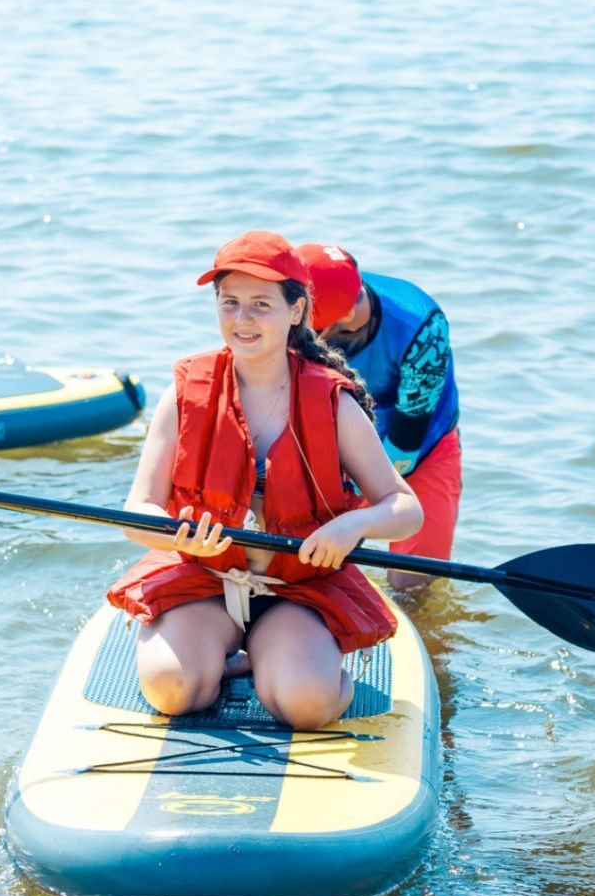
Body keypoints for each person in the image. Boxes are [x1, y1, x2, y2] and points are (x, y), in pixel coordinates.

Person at [107, 231, 425, 730]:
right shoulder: (185, 393)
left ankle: (291, 661)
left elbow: (405, 509)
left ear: (296, 311)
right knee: (172, 691)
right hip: (204, 580)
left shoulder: (333, 402)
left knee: (306, 708)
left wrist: (353, 526)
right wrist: (176, 536)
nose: (242, 319)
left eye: (261, 304)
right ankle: (229, 658)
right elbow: (138, 512)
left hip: (298, 590)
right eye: (229, 302)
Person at [295, 243, 460, 590]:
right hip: (340, 444)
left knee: (411, 584)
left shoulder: (422, 327)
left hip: (423, 448)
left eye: (314, 328)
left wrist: (353, 510)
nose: (306, 337)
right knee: (311, 567)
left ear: (346, 315)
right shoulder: (297, 312)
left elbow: (405, 443)